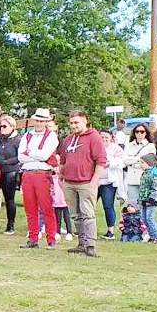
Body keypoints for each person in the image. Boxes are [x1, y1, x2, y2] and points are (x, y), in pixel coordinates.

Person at [59, 110, 107, 257]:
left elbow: (101, 161)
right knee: (75, 215)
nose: (73, 125)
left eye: (76, 122)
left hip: (86, 182)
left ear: (85, 121)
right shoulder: (68, 140)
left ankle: (90, 245)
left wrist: (94, 181)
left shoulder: (94, 138)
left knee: (87, 215)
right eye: (71, 123)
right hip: (69, 183)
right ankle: (82, 243)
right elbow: (63, 161)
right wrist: (61, 177)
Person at [17, 108, 60, 249]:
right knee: (30, 208)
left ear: (46, 122)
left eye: (42, 121)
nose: (39, 123)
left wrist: (29, 152)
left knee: (46, 206)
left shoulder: (51, 136)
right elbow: (20, 156)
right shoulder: (27, 135)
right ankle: (33, 238)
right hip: (28, 173)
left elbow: (45, 155)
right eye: (37, 120)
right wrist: (37, 155)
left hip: (42, 174)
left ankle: (51, 238)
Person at [0, 115, 21, 234]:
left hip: (10, 172)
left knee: (9, 199)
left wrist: (6, 162)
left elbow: (20, 156)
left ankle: (10, 225)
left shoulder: (18, 140)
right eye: (0, 126)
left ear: (12, 127)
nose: (1, 128)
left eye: (4, 126)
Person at [97, 130, 127, 240]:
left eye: (106, 137)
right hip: (94, 180)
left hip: (109, 181)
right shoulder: (94, 147)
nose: (104, 140)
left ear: (111, 138)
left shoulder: (116, 149)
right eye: (102, 137)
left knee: (108, 205)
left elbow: (122, 163)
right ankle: (87, 228)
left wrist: (111, 163)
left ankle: (110, 231)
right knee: (89, 206)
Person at [122, 124, 155, 213]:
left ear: (146, 133)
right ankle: (135, 221)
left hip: (144, 178)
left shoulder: (150, 146)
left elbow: (149, 161)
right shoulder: (129, 145)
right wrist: (139, 159)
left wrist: (132, 159)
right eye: (137, 131)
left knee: (145, 205)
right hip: (131, 178)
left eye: (142, 132)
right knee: (133, 205)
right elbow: (125, 160)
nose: (139, 133)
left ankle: (143, 221)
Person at [137, 153, 157, 244]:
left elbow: (155, 188)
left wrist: (152, 199)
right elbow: (143, 188)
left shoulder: (154, 174)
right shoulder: (145, 173)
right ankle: (151, 236)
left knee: (150, 218)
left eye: (142, 162)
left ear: (149, 163)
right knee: (144, 219)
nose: (140, 165)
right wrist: (140, 199)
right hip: (144, 200)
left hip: (152, 201)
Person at [52, 155, 73, 240]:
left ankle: (69, 232)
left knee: (67, 216)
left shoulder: (65, 170)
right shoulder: (52, 172)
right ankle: (57, 231)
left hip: (65, 197)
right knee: (57, 215)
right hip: (56, 198)